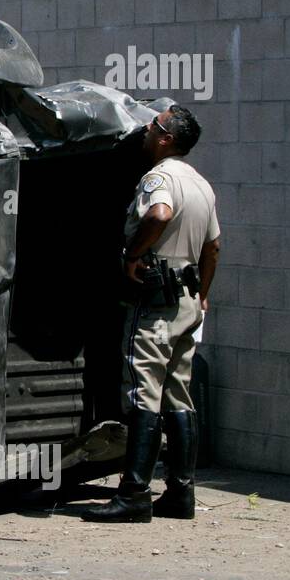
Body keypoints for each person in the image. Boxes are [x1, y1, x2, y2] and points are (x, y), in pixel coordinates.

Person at [83, 105, 221, 523]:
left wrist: (133, 253)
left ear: (166, 139)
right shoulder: (201, 184)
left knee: (144, 393)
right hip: (188, 302)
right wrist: (204, 296)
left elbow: (159, 214)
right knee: (179, 397)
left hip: (156, 304)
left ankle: (133, 495)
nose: (146, 129)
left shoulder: (157, 178)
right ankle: (181, 495)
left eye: (154, 125)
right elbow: (213, 246)